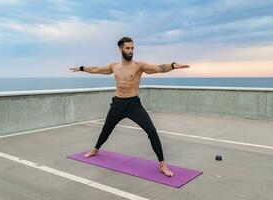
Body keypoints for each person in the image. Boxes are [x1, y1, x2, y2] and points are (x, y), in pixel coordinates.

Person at [69, 37, 189, 177]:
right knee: (106, 130)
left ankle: (162, 165)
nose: (131, 51)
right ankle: (95, 150)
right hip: (117, 104)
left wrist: (173, 65)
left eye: (132, 48)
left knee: (151, 131)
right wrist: (81, 68)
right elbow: (96, 69)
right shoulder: (114, 66)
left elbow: (157, 68)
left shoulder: (139, 66)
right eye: (127, 48)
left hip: (133, 105)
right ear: (121, 49)